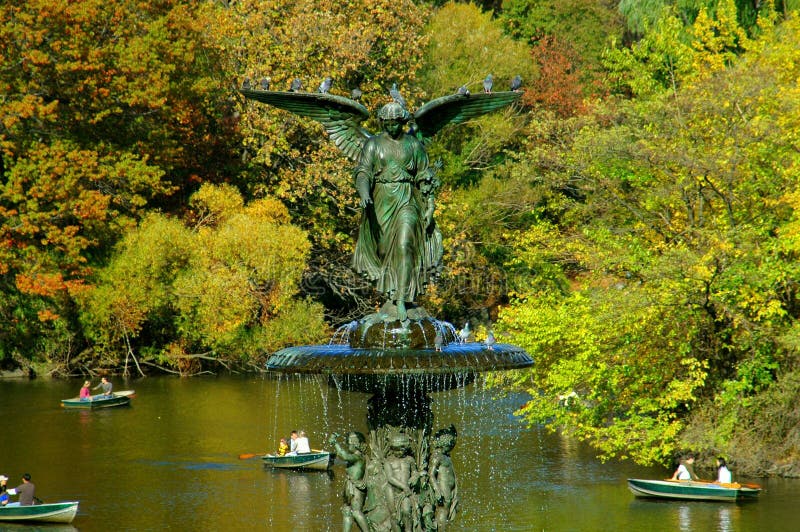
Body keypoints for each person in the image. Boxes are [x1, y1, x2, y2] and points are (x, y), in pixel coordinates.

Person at [352, 102, 442, 322]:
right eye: (387, 123)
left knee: (404, 244)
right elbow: (363, 171)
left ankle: (401, 299)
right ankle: (392, 296)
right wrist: (364, 194)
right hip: (381, 201)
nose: (391, 127)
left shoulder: (413, 145)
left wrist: (430, 205)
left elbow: (425, 176)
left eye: (395, 123)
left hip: (407, 199)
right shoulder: (373, 144)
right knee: (384, 252)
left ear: (402, 122)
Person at [329, 432, 368, 532]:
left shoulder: (358, 457)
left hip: (356, 487)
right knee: (346, 511)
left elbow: (344, 456)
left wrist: (335, 443)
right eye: (348, 441)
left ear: (359, 444)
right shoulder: (355, 457)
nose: (349, 443)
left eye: (352, 441)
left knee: (356, 511)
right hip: (349, 487)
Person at [430, 425, 459, 529]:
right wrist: (437, 490)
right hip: (443, 487)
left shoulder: (446, 456)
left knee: (448, 510)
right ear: (444, 444)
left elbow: (453, 474)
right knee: (443, 510)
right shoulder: (437, 456)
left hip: (450, 488)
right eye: (450, 445)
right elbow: (431, 474)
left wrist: (456, 489)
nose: (451, 447)